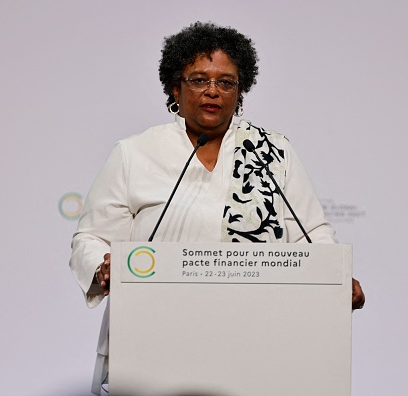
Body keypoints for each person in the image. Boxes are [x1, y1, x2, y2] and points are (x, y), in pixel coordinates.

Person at [70, 21, 365, 395]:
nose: (213, 91)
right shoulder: (135, 152)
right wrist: (102, 266)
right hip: (155, 339)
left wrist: (336, 282)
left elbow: (314, 234)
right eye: (199, 80)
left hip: (259, 339)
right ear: (175, 87)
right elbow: (91, 237)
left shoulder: (270, 152)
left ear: (239, 94)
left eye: (226, 82)